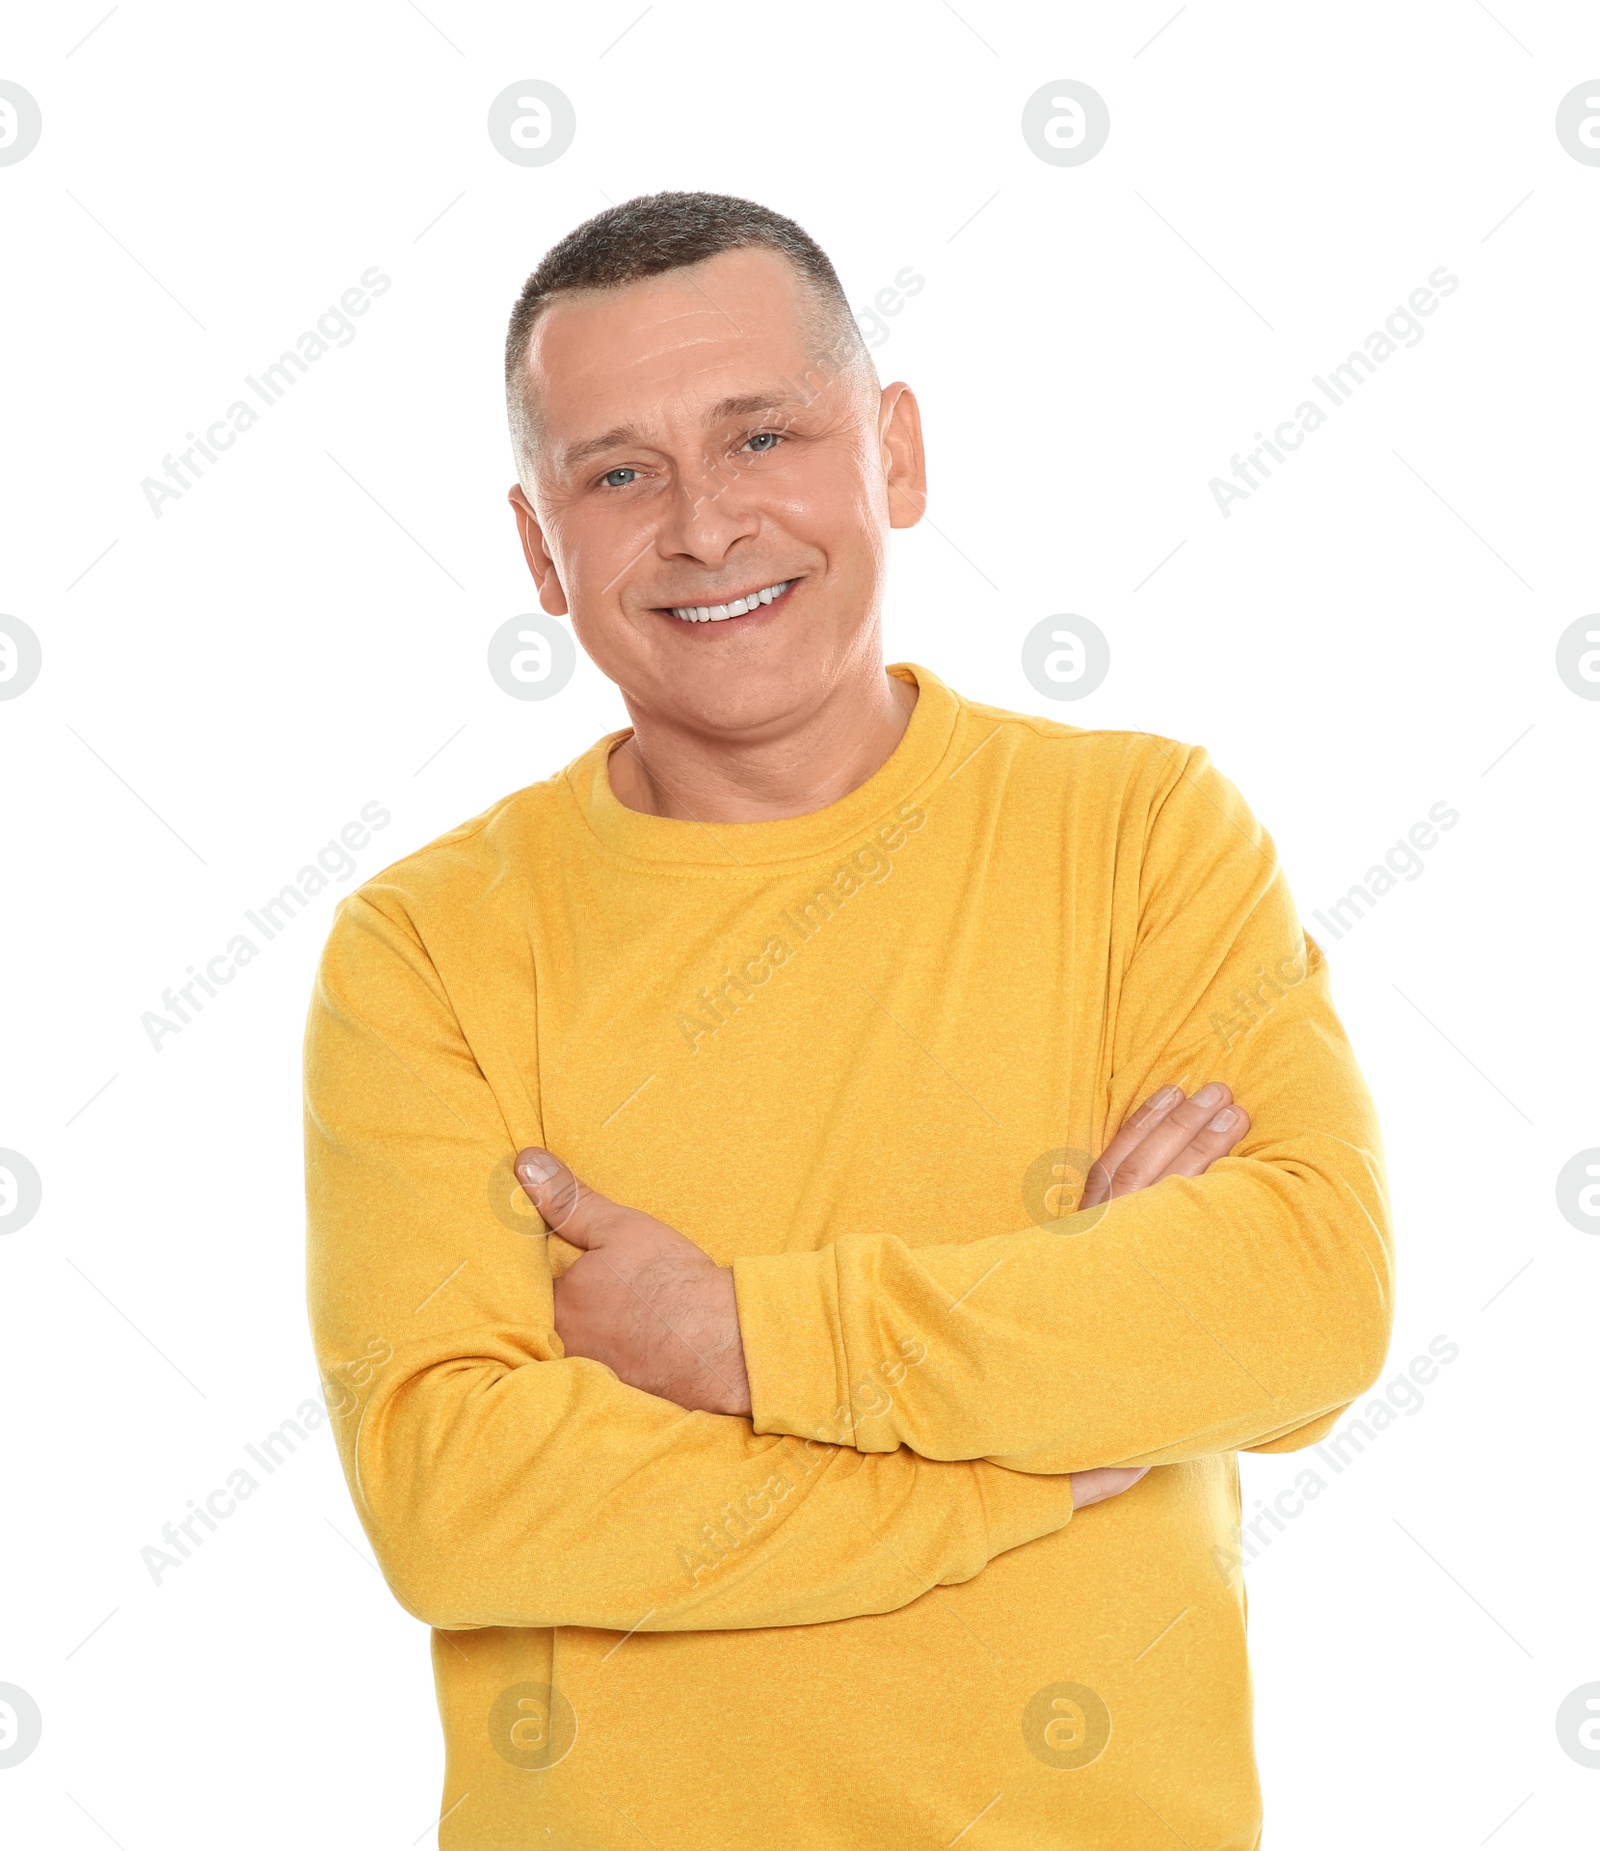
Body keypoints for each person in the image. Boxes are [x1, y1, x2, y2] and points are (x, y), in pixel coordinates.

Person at [304, 191, 1393, 1849]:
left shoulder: (1142, 834)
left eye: (761, 435)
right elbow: (457, 1499)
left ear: (894, 452)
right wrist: (1023, 1447)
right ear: (542, 551)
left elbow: (1302, 1300)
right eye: (617, 474)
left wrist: (732, 1336)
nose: (703, 526)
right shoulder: (428, 949)